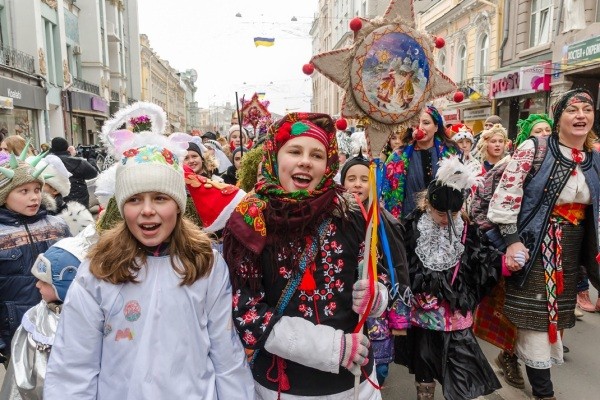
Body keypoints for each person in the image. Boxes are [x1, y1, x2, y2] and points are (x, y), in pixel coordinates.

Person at [44, 131, 254, 399]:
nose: (147, 210)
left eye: (160, 198)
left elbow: (227, 356)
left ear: (178, 205)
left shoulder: (205, 265)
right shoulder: (100, 270)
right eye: (134, 199)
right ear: (121, 208)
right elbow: (73, 365)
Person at [223, 112, 388, 399]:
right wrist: (331, 348)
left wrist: (376, 296)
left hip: (355, 384)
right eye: (295, 151)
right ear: (275, 156)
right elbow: (247, 315)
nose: (305, 161)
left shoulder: (349, 211)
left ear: (327, 165)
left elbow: (375, 272)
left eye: (317, 155)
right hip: (285, 388)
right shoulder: (250, 219)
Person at [488, 88, 600, 400]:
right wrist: (512, 242)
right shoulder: (534, 148)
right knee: (538, 320)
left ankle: (511, 355)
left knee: (556, 319)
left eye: (586, 110)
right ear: (558, 117)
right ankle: (544, 393)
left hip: (573, 250)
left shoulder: (594, 160)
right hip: (535, 245)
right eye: (572, 110)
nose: (580, 116)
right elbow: (506, 197)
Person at [397, 156, 501, 400]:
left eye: (452, 213)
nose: (446, 218)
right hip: (421, 312)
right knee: (423, 358)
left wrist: (500, 265)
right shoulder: (412, 225)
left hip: (455, 313)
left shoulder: (467, 229)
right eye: (440, 212)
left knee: (461, 365)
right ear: (427, 204)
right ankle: (425, 394)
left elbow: (482, 263)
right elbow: (402, 261)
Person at [340, 152, 411, 387]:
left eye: (364, 178)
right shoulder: (333, 217)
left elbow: (398, 266)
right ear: (342, 182)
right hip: (343, 306)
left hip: (377, 308)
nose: (357, 184)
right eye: (351, 178)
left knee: (378, 368)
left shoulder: (386, 222)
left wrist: (399, 309)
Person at [0, 150, 71, 366]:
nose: (34, 197)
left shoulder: (57, 225)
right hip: (16, 328)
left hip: (61, 324)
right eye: (24, 191)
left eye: (37, 189)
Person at [0, 237, 85, 399]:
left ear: (67, 286)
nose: (37, 285)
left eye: (45, 282)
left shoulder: (88, 318)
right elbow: (19, 375)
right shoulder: (35, 319)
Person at [383, 105, 458, 219]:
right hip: (408, 225)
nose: (420, 127)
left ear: (436, 127)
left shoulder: (450, 153)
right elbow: (388, 192)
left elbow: (460, 186)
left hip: (443, 221)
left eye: (426, 123)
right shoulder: (396, 158)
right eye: (415, 123)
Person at [31, 154, 94, 236]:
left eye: (39, 186)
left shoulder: (75, 217)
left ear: (55, 189)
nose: (33, 192)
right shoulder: (23, 214)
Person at [49, 137, 98, 207]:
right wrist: (91, 159)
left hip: (56, 202)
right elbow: (93, 173)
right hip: (79, 202)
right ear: (67, 148)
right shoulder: (78, 162)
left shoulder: (46, 162)